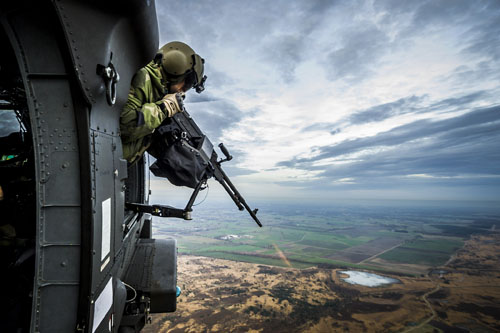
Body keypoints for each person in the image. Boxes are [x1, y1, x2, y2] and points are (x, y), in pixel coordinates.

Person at [120, 41, 206, 163]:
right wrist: (164, 108)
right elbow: (124, 126)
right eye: (186, 84)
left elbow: (143, 140)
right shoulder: (142, 77)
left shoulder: (159, 93)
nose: (183, 92)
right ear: (176, 71)